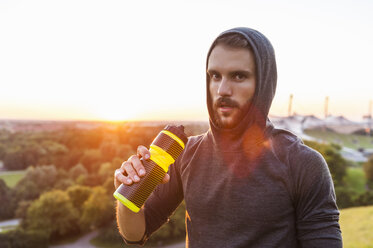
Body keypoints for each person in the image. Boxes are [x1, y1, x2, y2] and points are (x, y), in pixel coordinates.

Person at [114, 27, 343, 247]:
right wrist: (128, 196)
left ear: (263, 84)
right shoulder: (186, 155)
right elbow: (136, 234)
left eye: (238, 76)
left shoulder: (303, 164)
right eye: (215, 75)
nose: (222, 89)